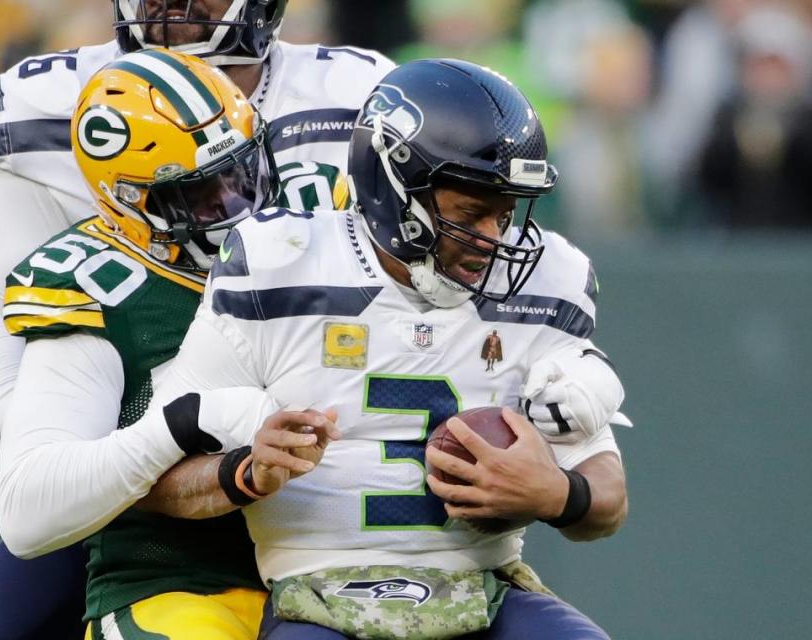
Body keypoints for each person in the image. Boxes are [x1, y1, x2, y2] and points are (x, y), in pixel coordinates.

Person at [131, 59, 630, 639]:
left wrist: (554, 493)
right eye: (472, 214)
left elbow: (609, 498)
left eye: (506, 213)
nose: (496, 241)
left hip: (485, 591)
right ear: (393, 189)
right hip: (318, 597)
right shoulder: (277, 266)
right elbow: (149, 475)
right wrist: (246, 471)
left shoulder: (548, 279)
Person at [0, 3, 393, 637]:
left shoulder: (356, 95)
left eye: (243, 177)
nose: (173, 7)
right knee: (4, 619)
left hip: (322, 474)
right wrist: (101, 443)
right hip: (154, 489)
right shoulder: (63, 105)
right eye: (197, 192)